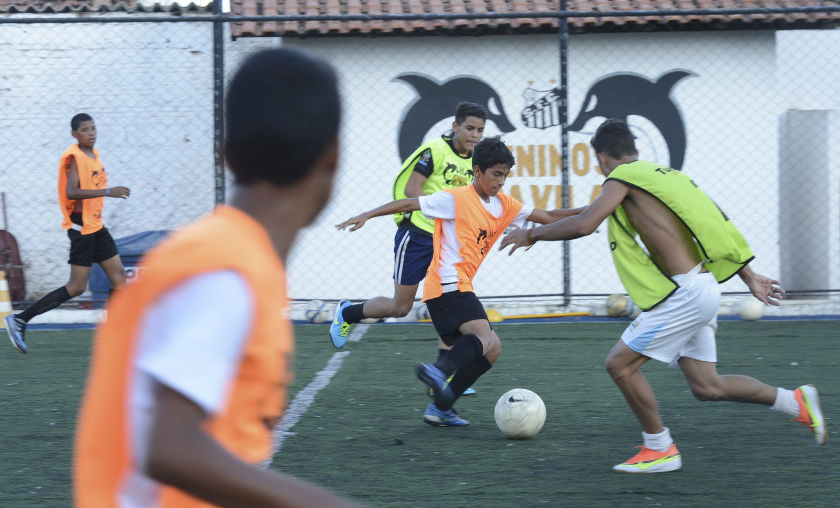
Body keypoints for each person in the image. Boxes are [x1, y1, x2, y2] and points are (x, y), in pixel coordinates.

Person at [74, 48, 363, 508]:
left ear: (225, 156)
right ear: (334, 154)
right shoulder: (226, 270)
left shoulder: (225, 258)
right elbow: (169, 448)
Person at [500, 118, 827, 473]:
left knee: (619, 365)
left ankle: (660, 447)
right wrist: (747, 274)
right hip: (701, 287)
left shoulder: (621, 179)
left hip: (685, 295)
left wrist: (530, 236)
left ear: (602, 159)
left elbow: (584, 224)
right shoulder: (661, 177)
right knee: (707, 386)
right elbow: (713, 221)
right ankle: (794, 402)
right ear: (635, 150)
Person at [337, 136, 582, 427]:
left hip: (454, 288)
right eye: (496, 174)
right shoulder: (455, 199)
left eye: (505, 175)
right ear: (477, 171)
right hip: (447, 284)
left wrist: (596, 209)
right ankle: (439, 370)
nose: (501, 181)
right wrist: (368, 214)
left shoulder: (506, 204)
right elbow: (410, 202)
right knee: (484, 338)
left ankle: (441, 407)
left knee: (492, 349)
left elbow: (550, 216)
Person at [329, 101, 488, 395]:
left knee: (448, 303)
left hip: (447, 243)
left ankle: (442, 371)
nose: (475, 135)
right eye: (469, 128)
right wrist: (444, 207)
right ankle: (348, 312)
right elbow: (411, 190)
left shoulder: (476, 162)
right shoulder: (435, 151)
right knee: (400, 307)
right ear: (455, 126)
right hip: (417, 236)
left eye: (480, 130)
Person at [4, 113, 131, 354]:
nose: (91, 133)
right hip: (82, 230)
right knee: (76, 287)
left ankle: (111, 335)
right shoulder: (75, 157)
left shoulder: (94, 155)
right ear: (74, 134)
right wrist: (108, 191)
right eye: (84, 130)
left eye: (93, 128)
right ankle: (20, 320)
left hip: (96, 226)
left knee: (119, 278)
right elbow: (71, 192)